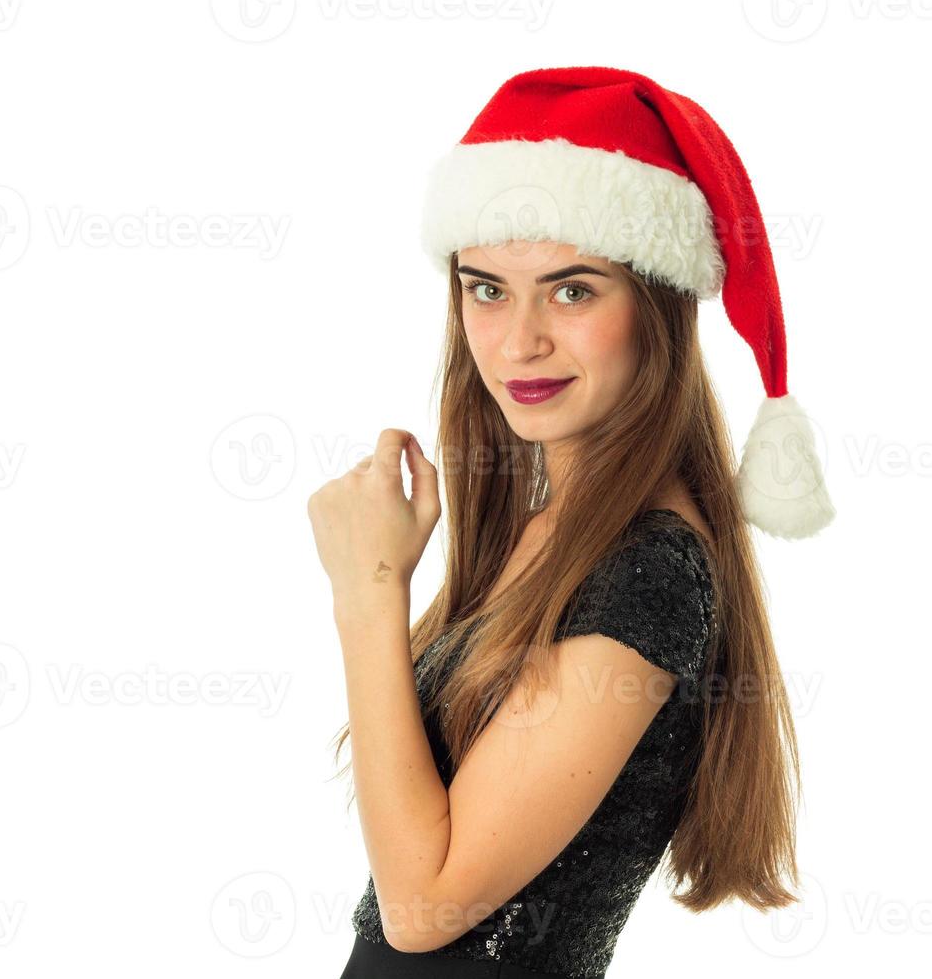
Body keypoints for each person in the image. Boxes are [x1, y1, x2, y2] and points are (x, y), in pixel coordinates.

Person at [308, 66, 835, 979]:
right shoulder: (552, 527)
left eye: (573, 290)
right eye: (487, 288)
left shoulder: (647, 571)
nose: (518, 343)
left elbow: (426, 905)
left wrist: (369, 591)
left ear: (657, 309)